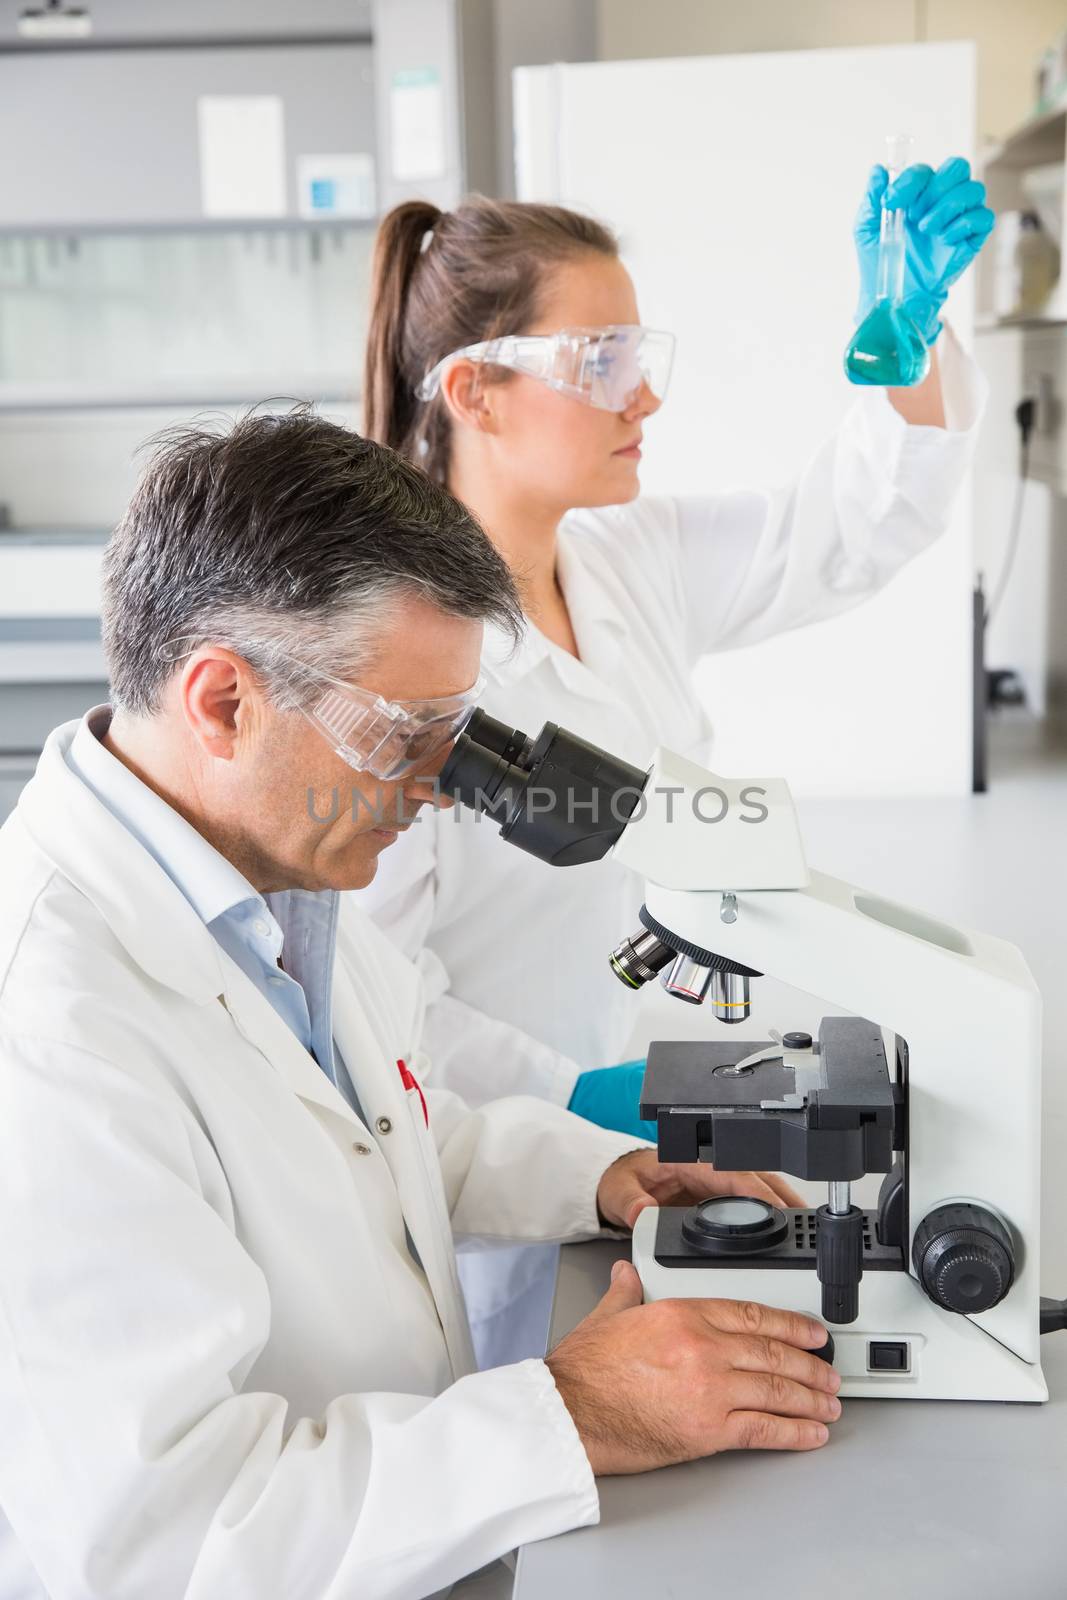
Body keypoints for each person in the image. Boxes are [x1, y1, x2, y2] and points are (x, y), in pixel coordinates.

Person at [0, 411, 843, 1600]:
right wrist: (574, 1408)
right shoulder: (49, 1030)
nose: (441, 792)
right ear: (224, 702)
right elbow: (170, 1540)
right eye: (407, 736)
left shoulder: (276, 889)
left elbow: (392, 1125)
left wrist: (600, 1173)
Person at [357, 160, 994, 1368]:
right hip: (499, 1181)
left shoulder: (624, 556)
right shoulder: (387, 657)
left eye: (638, 352)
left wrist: (904, 344)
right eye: (599, 360)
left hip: (679, 1135)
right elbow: (373, 1003)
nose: (641, 396)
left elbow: (845, 530)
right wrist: (579, 1101)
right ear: (475, 390)